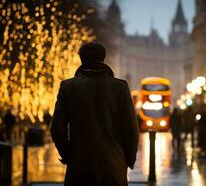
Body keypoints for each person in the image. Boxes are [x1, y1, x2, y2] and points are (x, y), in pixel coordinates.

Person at [50, 42, 139, 186]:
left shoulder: (68, 87)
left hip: (79, 165)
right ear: (103, 58)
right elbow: (131, 130)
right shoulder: (120, 87)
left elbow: (57, 129)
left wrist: (68, 155)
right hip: (113, 165)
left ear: (82, 59)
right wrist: (128, 159)